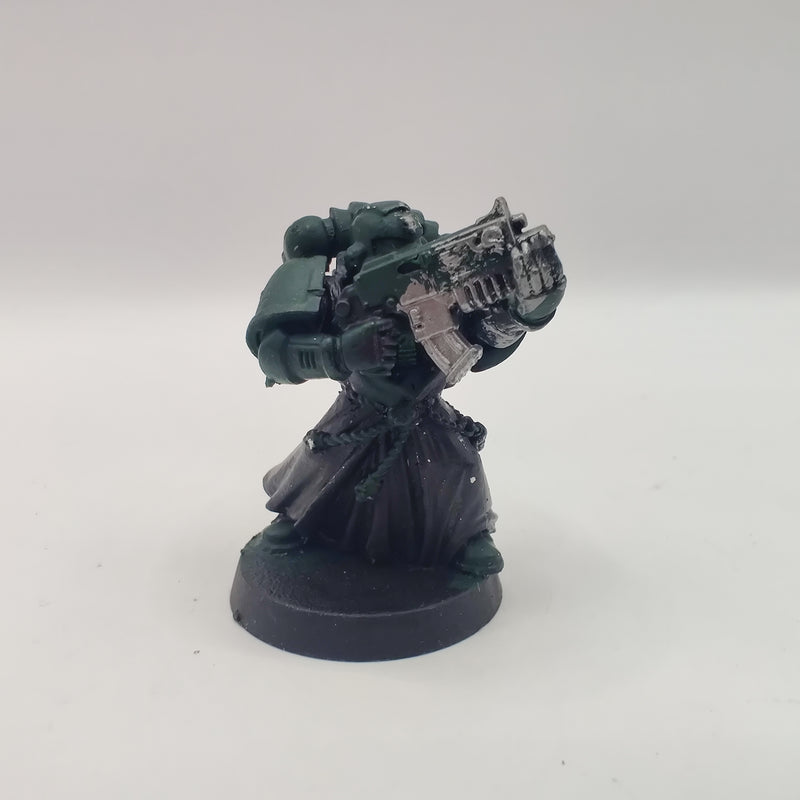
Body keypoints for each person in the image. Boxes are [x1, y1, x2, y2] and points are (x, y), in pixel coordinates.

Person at [245, 200, 565, 577]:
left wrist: (527, 312)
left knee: (458, 466)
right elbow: (274, 355)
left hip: (424, 411)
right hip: (360, 407)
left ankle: (467, 536)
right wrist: (339, 352)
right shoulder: (338, 293)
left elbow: (482, 342)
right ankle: (299, 520)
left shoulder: (443, 285)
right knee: (324, 469)